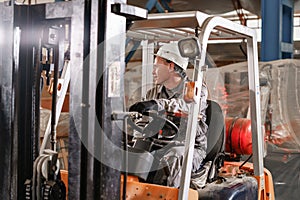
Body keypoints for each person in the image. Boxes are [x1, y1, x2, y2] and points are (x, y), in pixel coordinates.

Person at [129, 42, 208, 188]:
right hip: (158, 143)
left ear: (171, 66)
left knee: (173, 158)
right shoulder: (152, 93)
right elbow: (142, 123)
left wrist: (158, 105)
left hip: (188, 147)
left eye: (156, 66)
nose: (153, 71)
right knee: (130, 153)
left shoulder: (195, 90)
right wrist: (136, 140)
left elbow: (187, 107)